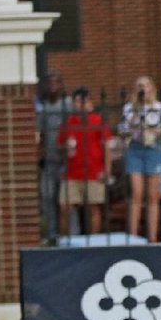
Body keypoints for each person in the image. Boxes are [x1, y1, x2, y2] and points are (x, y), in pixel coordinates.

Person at [118, 76, 161, 243]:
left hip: (153, 148)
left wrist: (156, 131)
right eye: (140, 86)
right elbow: (124, 129)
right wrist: (135, 113)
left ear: (152, 88)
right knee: (137, 193)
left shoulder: (159, 108)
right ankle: (133, 236)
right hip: (135, 148)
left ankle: (152, 237)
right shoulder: (130, 108)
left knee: (153, 196)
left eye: (147, 85)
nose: (144, 89)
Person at [56, 87, 112, 237]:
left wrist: (107, 170)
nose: (80, 105)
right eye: (77, 102)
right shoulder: (68, 123)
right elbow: (59, 147)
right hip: (72, 173)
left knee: (93, 208)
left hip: (94, 172)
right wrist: (64, 148)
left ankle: (93, 241)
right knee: (64, 207)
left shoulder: (97, 121)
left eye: (83, 101)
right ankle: (63, 242)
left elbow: (107, 147)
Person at [35, 71, 71, 244]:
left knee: (66, 200)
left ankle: (72, 234)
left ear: (62, 85)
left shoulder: (68, 105)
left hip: (67, 161)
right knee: (47, 197)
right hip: (49, 162)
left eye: (56, 83)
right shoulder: (43, 108)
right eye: (49, 83)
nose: (52, 87)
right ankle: (51, 235)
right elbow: (39, 134)